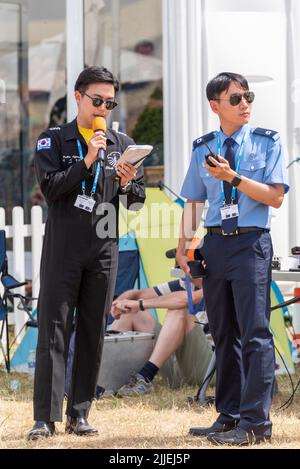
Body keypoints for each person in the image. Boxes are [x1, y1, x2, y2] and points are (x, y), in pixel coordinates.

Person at [27, 66, 146, 440]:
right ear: (78, 96)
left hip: (105, 243)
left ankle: (79, 414)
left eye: (109, 103)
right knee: (55, 331)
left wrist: (129, 184)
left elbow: (136, 203)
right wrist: (88, 160)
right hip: (65, 244)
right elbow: (52, 189)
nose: (103, 110)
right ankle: (44, 418)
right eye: (97, 101)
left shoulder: (121, 141)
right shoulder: (54, 140)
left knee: (94, 331)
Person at [176, 72, 289, 446]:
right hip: (215, 245)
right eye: (236, 98)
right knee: (223, 333)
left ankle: (256, 423)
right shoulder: (202, 147)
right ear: (215, 106)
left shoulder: (267, 142)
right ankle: (228, 415)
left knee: (255, 333)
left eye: (248, 97)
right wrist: (183, 243)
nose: (245, 104)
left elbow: (275, 197)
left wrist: (234, 177)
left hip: (251, 243)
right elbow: (194, 200)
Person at [108, 278, 212, 396]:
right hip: (178, 369)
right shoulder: (185, 282)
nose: (179, 268)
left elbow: (187, 299)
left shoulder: (219, 281)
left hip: (210, 370)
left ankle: (145, 376)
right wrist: (121, 302)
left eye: (184, 263)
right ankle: (107, 380)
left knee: (180, 309)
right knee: (129, 312)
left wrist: (140, 304)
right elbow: (138, 294)